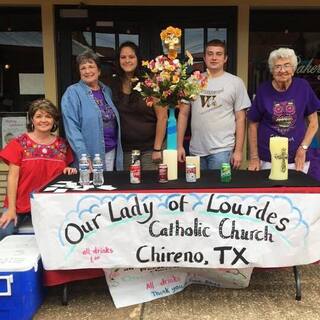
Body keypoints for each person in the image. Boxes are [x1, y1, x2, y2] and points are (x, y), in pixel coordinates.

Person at [0, 98, 77, 240]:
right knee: (4, 232)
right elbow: (12, 178)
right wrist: (11, 209)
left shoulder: (62, 145)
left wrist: (68, 172)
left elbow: (62, 172)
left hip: (49, 206)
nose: (43, 120)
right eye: (39, 116)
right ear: (32, 120)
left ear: (54, 120)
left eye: (48, 116)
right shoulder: (19, 143)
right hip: (19, 205)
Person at [178, 39, 251, 170]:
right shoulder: (192, 81)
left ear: (225, 58)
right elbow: (183, 114)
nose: (214, 58)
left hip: (223, 152)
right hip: (196, 151)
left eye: (219, 54)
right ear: (204, 58)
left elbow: (241, 119)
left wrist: (239, 151)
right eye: (210, 54)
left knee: (220, 189)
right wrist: (179, 145)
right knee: (196, 190)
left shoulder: (235, 83)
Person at [247, 48, 320, 173]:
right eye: (277, 67)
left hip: (297, 158)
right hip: (268, 159)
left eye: (287, 66)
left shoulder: (303, 87)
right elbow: (252, 124)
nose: (282, 70)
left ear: (293, 70)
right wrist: (254, 157)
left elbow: (313, 123)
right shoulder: (263, 90)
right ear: (272, 70)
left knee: (297, 191)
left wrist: (303, 148)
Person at [61, 50, 123, 171]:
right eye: (83, 68)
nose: (87, 71)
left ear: (99, 71)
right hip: (88, 155)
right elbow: (72, 129)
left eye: (91, 66)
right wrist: (83, 155)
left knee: (108, 187)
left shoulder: (106, 90)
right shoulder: (72, 93)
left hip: (111, 151)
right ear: (79, 72)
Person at [111, 41, 168, 170]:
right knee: (128, 187)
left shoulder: (151, 82)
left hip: (151, 149)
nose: (127, 60)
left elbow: (162, 117)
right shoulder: (114, 84)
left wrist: (157, 148)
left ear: (138, 59)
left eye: (131, 57)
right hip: (125, 151)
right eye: (123, 57)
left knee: (150, 187)